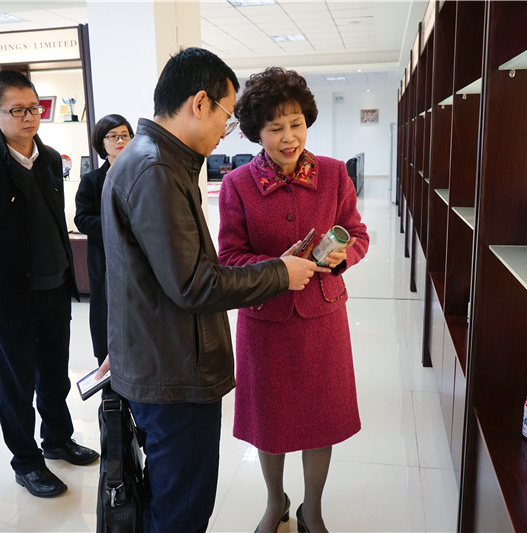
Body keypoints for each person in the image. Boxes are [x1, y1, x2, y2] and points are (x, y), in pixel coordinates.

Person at [98, 47, 324, 532]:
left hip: (158, 357)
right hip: (176, 372)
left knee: (168, 500)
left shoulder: (147, 159)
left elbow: (137, 276)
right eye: (227, 113)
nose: (227, 128)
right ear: (200, 103)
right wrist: (281, 273)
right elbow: (194, 283)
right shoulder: (156, 169)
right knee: (182, 511)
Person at [217, 66, 369, 533]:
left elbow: (358, 234)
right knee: (271, 421)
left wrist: (343, 255)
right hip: (265, 321)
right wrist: (277, 269)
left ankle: (313, 510)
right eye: (275, 128)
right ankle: (275, 502)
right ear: (255, 132)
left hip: (323, 318)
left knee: (321, 419)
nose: (289, 138)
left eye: (297, 124)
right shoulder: (237, 184)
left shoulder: (334, 174)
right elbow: (229, 257)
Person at [0, 70, 99, 499]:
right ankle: (26, 462)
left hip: (56, 286)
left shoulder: (52, 158)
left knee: (55, 376)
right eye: (17, 110)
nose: (28, 117)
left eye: (33, 108)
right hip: (12, 295)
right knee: (17, 385)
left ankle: (57, 440)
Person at [75, 114, 133, 365]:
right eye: (113, 136)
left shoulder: (142, 174)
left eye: (125, 135)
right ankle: (106, 366)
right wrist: (117, 225)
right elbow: (82, 219)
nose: (120, 141)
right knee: (106, 312)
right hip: (105, 258)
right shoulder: (92, 180)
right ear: (101, 142)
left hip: (136, 256)